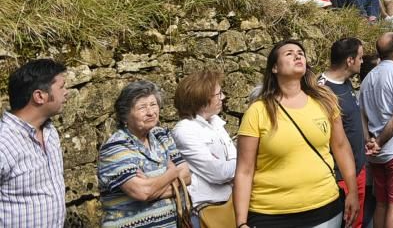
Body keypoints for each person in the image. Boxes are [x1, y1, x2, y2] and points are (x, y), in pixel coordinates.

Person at [234, 40, 359, 228]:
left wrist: (353, 191)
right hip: (271, 215)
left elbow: (341, 147)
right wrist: (241, 222)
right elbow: (244, 170)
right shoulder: (258, 111)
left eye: (300, 52)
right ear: (274, 68)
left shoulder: (325, 101)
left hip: (325, 209)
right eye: (289, 53)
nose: (297, 55)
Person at [97, 80, 193, 227]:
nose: (150, 112)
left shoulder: (162, 135)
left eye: (153, 105)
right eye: (142, 107)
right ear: (124, 115)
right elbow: (143, 192)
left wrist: (151, 183)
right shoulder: (116, 147)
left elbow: (186, 177)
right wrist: (171, 173)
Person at [0, 59, 68, 228]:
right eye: (61, 87)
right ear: (39, 96)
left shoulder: (49, 131)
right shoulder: (4, 142)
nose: (67, 92)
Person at [358, 33, 393, 228]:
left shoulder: (368, 79)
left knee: (381, 203)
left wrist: (370, 142)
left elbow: (363, 116)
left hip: (376, 155)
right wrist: (380, 142)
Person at [319, 38, 371, 228]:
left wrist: (365, 141)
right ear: (350, 60)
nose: (362, 61)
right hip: (339, 176)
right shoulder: (323, 90)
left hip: (357, 169)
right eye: (360, 57)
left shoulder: (346, 83)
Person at [171, 70, 237, 213]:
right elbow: (219, 172)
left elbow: (232, 161)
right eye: (218, 94)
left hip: (229, 202)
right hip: (206, 208)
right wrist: (247, 162)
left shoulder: (216, 124)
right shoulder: (185, 130)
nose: (223, 97)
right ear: (201, 98)